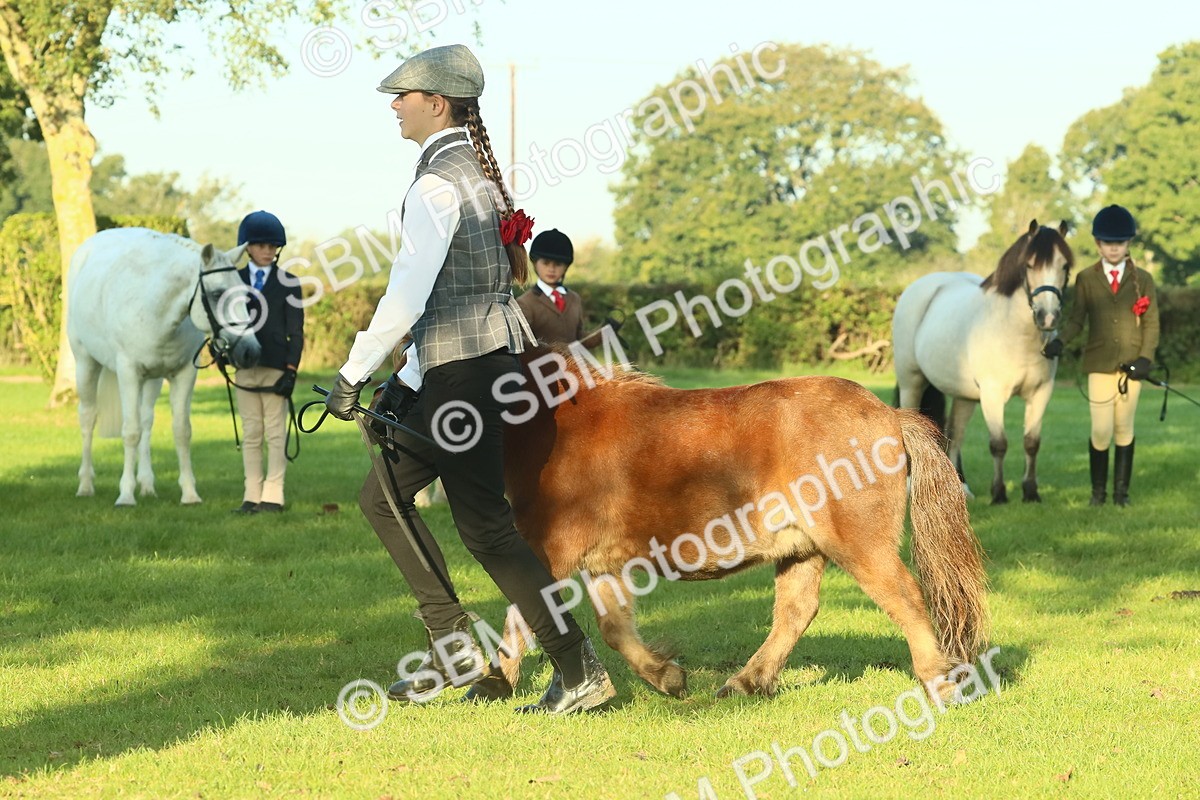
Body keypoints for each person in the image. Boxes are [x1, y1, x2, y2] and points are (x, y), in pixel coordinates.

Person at [322, 44, 615, 715]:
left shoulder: (437, 184)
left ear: (437, 103)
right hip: (470, 369)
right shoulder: (476, 175)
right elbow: (465, 298)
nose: (394, 107)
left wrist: (352, 372)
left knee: (485, 527)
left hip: (466, 378)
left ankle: (576, 670)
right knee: (385, 495)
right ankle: (454, 649)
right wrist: (410, 377)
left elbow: (409, 294)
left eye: (403, 96)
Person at [1044, 205, 1159, 506]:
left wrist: (1145, 358)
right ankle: (1098, 494)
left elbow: (1152, 322)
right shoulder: (1085, 278)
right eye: (1108, 243)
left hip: (1132, 367)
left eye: (1119, 243)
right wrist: (1060, 341)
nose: (1113, 248)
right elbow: (1076, 320)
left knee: (1124, 427)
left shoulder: (1143, 279)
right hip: (1098, 364)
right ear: (1098, 244)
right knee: (1101, 429)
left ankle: (1121, 494)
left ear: (1128, 244)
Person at [232, 210, 304, 514]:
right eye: (261, 245)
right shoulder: (233, 281)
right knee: (251, 433)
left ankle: (273, 494)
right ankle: (251, 493)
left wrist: (291, 370)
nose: (267, 251)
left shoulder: (289, 283)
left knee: (275, 432)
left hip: (276, 367)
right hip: (245, 368)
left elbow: (296, 331)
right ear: (248, 247)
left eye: (272, 246)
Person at [516, 228, 613, 347]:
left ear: (566, 267)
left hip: (576, 364)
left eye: (558, 264)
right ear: (535, 263)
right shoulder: (525, 303)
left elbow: (580, 339)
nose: (551, 269)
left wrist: (603, 332)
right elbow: (524, 345)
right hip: (542, 365)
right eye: (546, 263)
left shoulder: (574, 298)